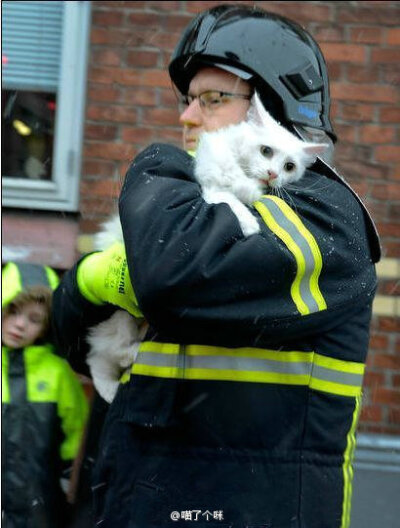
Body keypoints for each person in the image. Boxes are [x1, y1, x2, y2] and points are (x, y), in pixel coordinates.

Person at [52, 4, 381, 528]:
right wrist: (90, 279)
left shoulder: (324, 213)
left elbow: (171, 275)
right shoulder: (194, 205)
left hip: (249, 507)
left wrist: (155, 169)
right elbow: (68, 334)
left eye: (212, 99)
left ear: (271, 108)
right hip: (148, 499)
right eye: (186, 101)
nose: (186, 117)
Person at [1, 261, 89, 528]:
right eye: (13, 311)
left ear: (46, 326)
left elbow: (76, 431)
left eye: (34, 319)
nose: (19, 325)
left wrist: (68, 475)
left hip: (38, 502)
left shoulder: (57, 373)